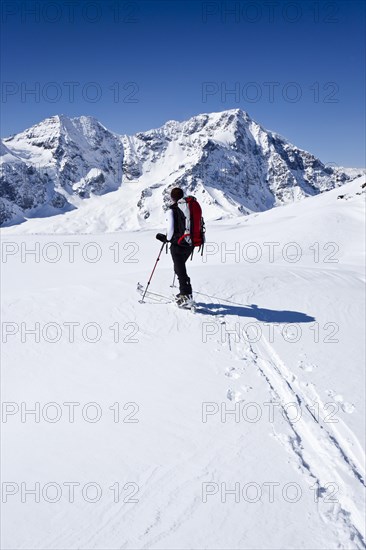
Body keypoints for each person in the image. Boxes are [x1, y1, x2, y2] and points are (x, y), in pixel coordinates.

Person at [156, 188, 193, 306]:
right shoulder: (189, 207)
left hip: (178, 245)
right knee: (180, 268)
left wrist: (166, 238)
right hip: (190, 243)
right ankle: (184, 293)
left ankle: (186, 296)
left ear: (172, 198)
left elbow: (171, 231)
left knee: (180, 270)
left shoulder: (172, 210)